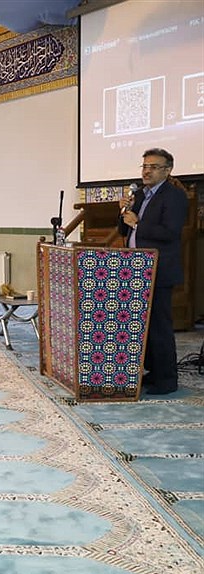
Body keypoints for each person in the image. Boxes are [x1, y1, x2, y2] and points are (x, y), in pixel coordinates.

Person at [118, 148, 188, 395]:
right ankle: (153, 371)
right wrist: (123, 212)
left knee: (159, 326)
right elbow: (124, 229)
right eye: (145, 166)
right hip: (135, 268)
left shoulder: (174, 196)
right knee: (142, 325)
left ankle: (167, 380)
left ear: (167, 170)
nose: (147, 171)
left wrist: (138, 223)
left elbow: (170, 232)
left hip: (159, 269)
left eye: (153, 167)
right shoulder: (138, 194)